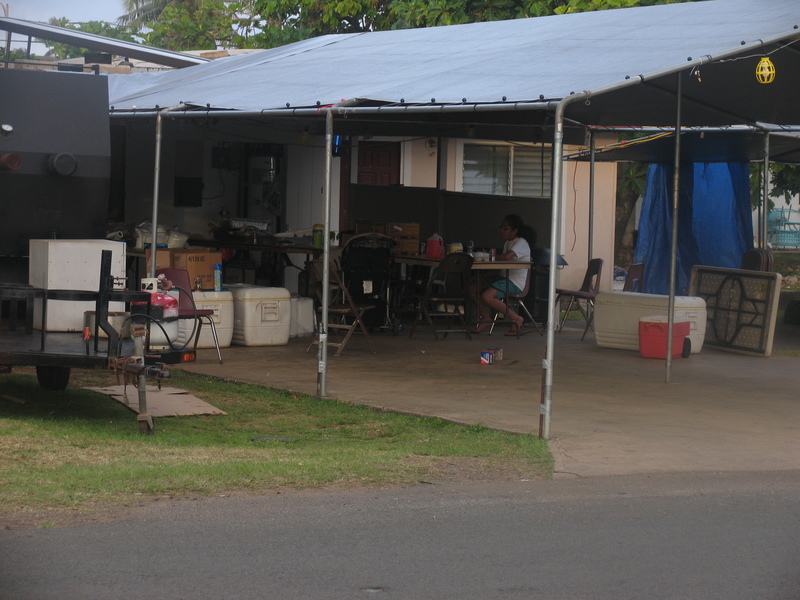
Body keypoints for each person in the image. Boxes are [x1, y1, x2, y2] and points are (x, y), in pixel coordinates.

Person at [470, 214, 536, 336]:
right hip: (503, 277)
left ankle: (516, 318)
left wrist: (489, 256)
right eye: (501, 228)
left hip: (514, 282)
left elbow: (506, 257)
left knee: (487, 296)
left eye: (505, 229)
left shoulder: (521, 242)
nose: (501, 231)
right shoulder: (508, 242)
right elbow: (500, 265)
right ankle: (486, 318)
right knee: (473, 288)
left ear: (515, 231)